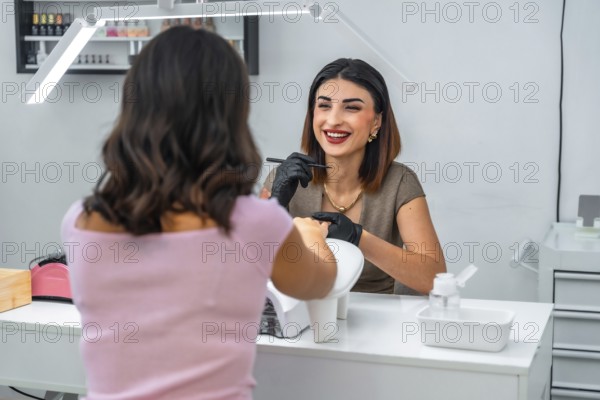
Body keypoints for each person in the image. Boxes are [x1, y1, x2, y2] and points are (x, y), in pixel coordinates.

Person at [61, 26, 336, 400]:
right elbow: (318, 284)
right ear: (232, 113)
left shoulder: (79, 221)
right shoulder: (254, 222)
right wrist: (311, 238)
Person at [261, 58, 446, 295]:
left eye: (352, 107)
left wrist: (359, 238)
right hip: (304, 316)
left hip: (379, 321)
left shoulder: (400, 182)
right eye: (324, 106)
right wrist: (274, 206)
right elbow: (247, 271)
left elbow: (434, 278)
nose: (334, 119)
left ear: (376, 122)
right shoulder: (283, 178)